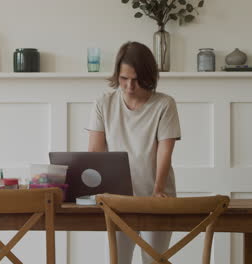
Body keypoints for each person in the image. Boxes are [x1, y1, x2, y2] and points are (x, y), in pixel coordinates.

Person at [87, 41, 181, 264]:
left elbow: (164, 153)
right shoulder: (103, 103)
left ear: (148, 76)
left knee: (153, 260)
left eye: (136, 79)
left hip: (157, 199)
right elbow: (95, 152)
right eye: (123, 78)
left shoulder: (165, 104)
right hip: (117, 200)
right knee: (118, 260)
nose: (129, 86)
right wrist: (96, 190)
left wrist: (158, 190)